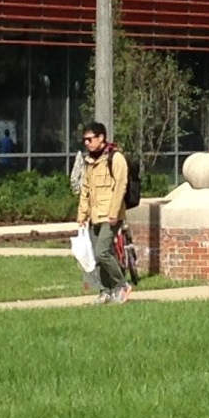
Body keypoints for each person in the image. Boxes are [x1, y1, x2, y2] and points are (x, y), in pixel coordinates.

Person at [75, 121, 132, 304]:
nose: (87, 143)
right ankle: (105, 291)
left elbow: (121, 186)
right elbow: (86, 190)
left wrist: (114, 213)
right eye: (84, 140)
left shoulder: (115, 158)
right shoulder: (89, 161)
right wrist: (82, 216)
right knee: (96, 257)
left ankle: (121, 285)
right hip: (94, 216)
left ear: (101, 138)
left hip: (110, 215)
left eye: (90, 139)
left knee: (102, 252)